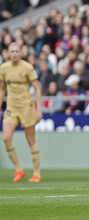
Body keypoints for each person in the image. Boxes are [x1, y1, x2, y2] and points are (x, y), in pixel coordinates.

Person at [0, 42, 42, 182]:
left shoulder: (27, 67)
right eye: (12, 51)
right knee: (6, 138)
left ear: (20, 52)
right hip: (12, 108)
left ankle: (36, 173)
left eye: (17, 51)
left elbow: (37, 89)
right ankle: (18, 170)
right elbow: (2, 89)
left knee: (30, 140)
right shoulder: (4, 68)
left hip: (26, 107)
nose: (14, 54)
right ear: (8, 53)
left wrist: (39, 109)